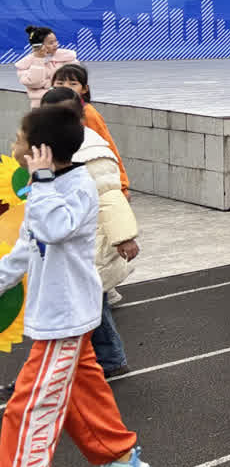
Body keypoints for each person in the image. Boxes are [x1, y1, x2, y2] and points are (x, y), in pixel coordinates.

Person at [0, 104, 150, 467]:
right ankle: (120, 459)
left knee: (28, 411)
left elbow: (54, 228)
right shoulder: (44, 188)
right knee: (84, 393)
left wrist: (41, 182)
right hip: (58, 315)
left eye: (20, 140)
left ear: (42, 152)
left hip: (65, 320)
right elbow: (26, 249)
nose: (14, 146)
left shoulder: (74, 186)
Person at [41, 87, 138, 378]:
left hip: (90, 239)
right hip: (67, 237)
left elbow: (109, 195)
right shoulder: (51, 146)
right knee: (91, 303)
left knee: (91, 303)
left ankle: (108, 359)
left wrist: (123, 236)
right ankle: (104, 358)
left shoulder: (91, 151)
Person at [52, 63, 129, 196]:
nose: (66, 87)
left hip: (89, 179)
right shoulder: (49, 111)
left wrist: (122, 184)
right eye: (60, 83)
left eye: (73, 84)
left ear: (84, 89)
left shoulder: (87, 113)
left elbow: (107, 146)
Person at [14, 25, 77, 107]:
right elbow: (35, 83)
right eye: (51, 43)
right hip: (41, 105)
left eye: (55, 41)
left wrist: (46, 84)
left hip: (67, 102)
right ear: (39, 45)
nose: (55, 44)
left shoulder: (67, 57)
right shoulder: (25, 65)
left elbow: (74, 79)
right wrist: (39, 59)